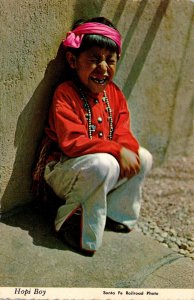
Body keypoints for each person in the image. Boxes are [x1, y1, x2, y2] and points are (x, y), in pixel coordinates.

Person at [32, 17, 152, 256]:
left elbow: (123, 132)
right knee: (103, 163)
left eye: (110, 60)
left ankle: (116, 214)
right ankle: (72, 225)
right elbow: (72, 142)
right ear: (72, 60)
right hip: (63, 169)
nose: (104, 68)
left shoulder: (115, 95)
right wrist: (117, 151)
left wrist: (126, 150)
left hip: (96, 170)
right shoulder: (65, 94)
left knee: (143, 157)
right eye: (94, 59)